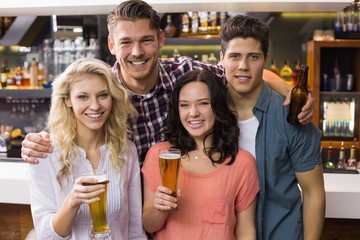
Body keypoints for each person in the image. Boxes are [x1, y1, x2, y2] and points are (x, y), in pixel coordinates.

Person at [20, 0, 314, 166]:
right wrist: (36, 142)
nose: (136, 52)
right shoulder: (100, 91)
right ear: (111, 44)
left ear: (160, 39)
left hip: (180, 213)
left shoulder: (184, 73)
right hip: (125, 218)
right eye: (126, 43)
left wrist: (292, 91)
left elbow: (240, 70)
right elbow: (65, 128)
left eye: (146, 40)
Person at [219, 15, 325, 239]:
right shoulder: (208, 112)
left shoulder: (294, 116)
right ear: (222, 59)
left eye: (253, 57)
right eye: (235, 56)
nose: (243, 66)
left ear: (266, 59)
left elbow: (313, 192)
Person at [28, 58, 146, 239]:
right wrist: (72, 201)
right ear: (68, 100)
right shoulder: (45, 153)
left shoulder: (127, 151)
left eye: (102, 95)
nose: (95, 106)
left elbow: (135, 230)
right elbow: (45, 236)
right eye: (83, 97)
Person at [142, 69, 259, 239]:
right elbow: (149, 225)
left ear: (217, 106)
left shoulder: (242, 162)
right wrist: (160, 208)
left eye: (203, 103)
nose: (193, 112)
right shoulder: (159, 156)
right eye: (184, 105)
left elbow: (246, 232)